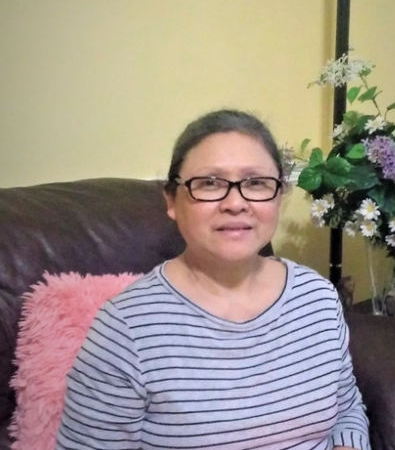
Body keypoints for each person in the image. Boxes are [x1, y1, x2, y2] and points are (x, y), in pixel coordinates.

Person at [56, 108, 371, 450]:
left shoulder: (317, 298)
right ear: (172, 200)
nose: (235, 203)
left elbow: (346, 408)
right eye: (209, 183)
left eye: (256, 183)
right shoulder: (126, 328)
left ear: (279, 196)